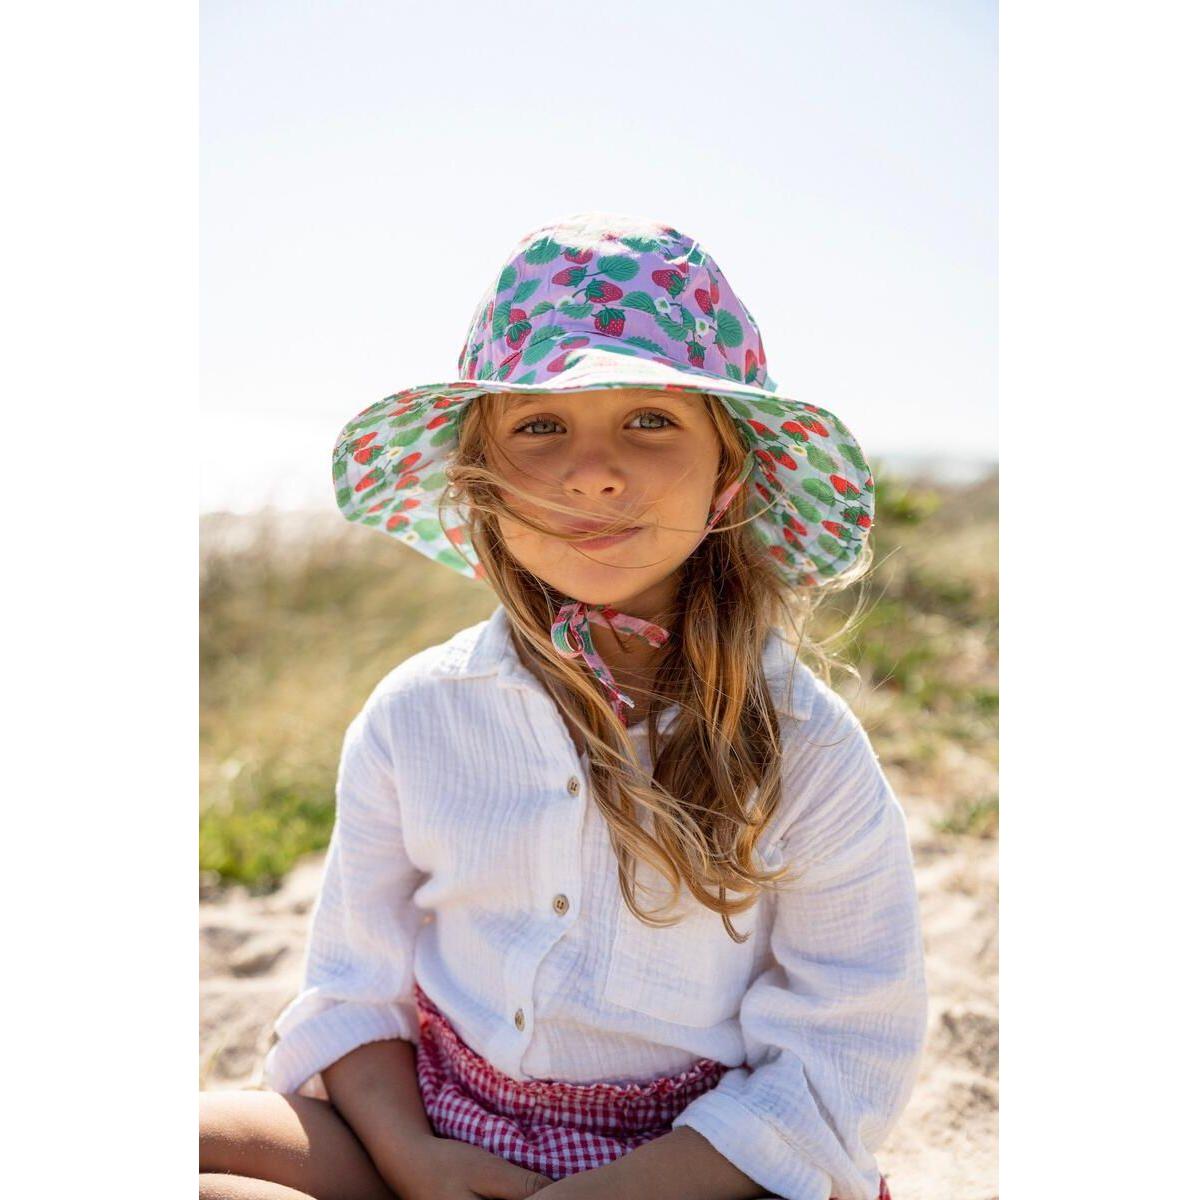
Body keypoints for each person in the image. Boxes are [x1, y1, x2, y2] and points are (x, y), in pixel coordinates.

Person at [200, 211, 928, 1200]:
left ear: (730, 475)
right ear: (483, 479)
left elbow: (844, 1049)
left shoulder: (803, 743)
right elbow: (354, 989)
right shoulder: (419, 714)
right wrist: (416, 1161)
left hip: (689, 1166)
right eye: (540, 426)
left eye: (652, 419)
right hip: (448, 1132)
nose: (593, 468)